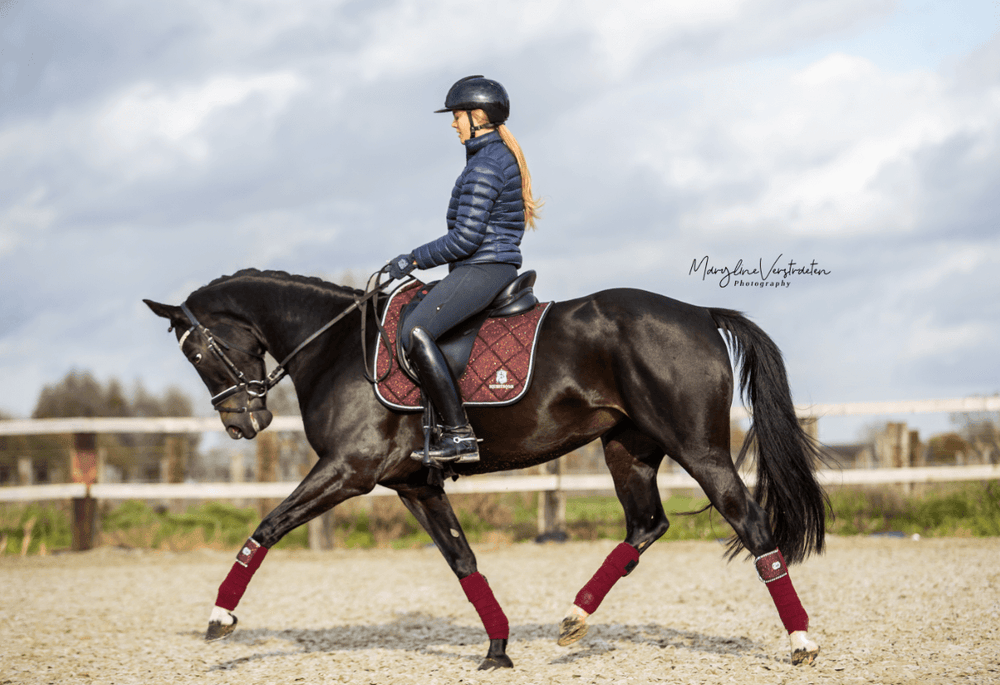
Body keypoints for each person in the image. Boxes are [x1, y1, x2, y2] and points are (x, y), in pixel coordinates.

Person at [387, 75, 541, 465]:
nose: (453, 124)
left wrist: (414, 258)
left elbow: (465, 240)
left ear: (478, 116)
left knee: (417, 330)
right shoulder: (490, 158)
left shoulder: (485, 166)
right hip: (488, 264)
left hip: (484, 265)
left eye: (457, 116)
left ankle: (458, 434)